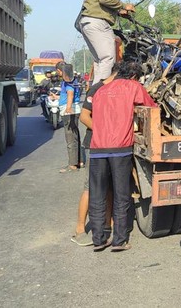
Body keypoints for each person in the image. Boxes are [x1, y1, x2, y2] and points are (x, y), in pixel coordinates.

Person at [80, 58, 155, 251]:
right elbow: (151, 107)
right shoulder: (133, 86)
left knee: (98, 194)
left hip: (97, 149)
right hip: (120, 148)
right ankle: (120, 240)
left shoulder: (101, 90)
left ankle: (99, 239)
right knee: (121, 194)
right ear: (133, 76)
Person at [70, 67, 118, 246]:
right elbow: (84, 117)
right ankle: (80, 228)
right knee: (90, 187)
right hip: (94, 144)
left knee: (110, 187)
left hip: (111, 145)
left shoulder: (117, 90)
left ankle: (108, 224)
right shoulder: (96, 89)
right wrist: (104, 132)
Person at [77, 0, 135, 82]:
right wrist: (124, 6)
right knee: (108, 59)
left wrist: (119, 12)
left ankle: (93, 97)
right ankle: (100, 95)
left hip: (88, 22)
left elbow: (99, 1)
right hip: (98, 22)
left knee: (100, 61)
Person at [55, 62, 82, 173]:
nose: (58, 73)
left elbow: (70, 94)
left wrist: (68, 108)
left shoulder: (68, 83)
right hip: (73, 111)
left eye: (58, 71)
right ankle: (79, 161)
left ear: (61, 71)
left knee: (70, 138)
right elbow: (67, 95)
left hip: (69, 112)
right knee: (75, 137)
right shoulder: (73, 81)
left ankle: (72, 165)